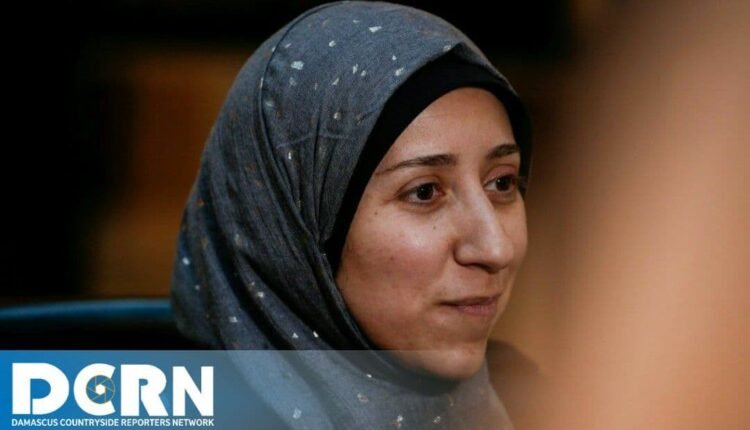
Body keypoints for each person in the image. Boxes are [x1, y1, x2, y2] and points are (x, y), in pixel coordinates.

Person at [170, 1, 535, 428]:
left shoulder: (539, 400)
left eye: (502, 184)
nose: (495, 248)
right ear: (295, 230)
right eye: (424, 192)